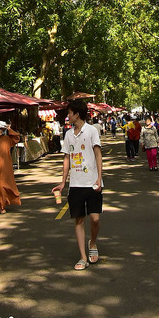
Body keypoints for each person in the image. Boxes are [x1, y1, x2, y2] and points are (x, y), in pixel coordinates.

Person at [52, 99, 103, 270]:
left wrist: (99, 178)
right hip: (76, 184)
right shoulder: (68, 134)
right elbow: (66, 158)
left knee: (95, 219)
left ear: (77, 114)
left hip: (93, 183)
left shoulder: (92, 131)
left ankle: (93, 243)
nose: (68, 116)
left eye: (69, 113)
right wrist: (62, 182)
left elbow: (98, 155)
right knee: (79, 220)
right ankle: (83, 257)